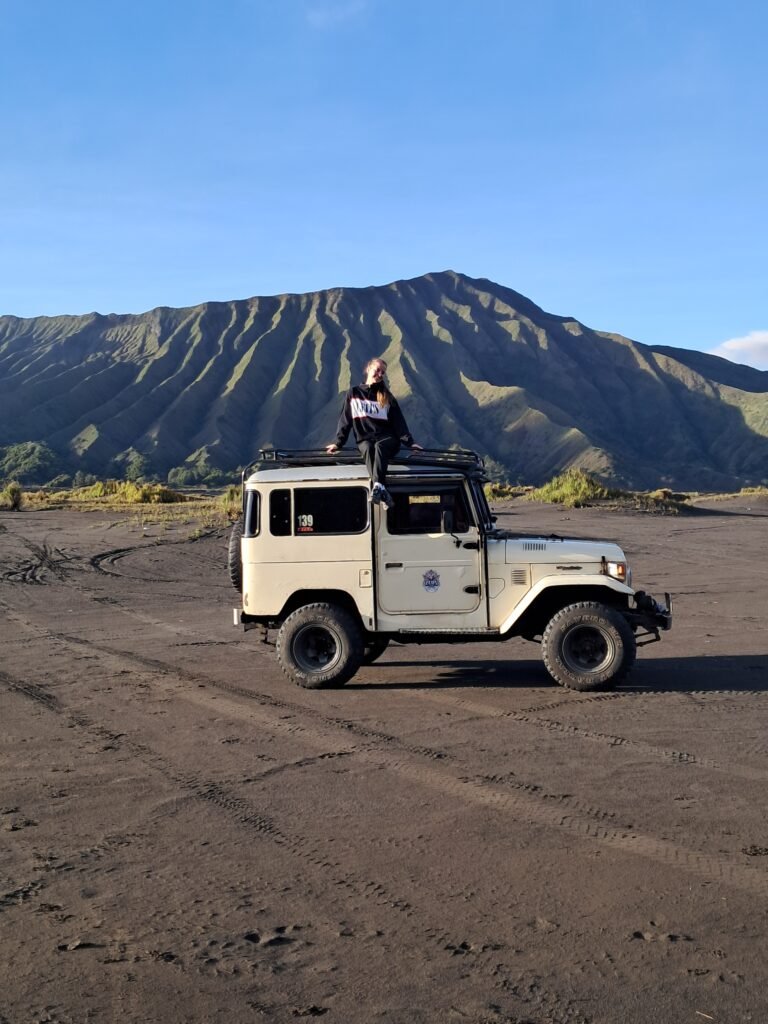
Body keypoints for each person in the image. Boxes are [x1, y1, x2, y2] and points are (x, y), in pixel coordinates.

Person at [326, 357, 422, 508]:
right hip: (365, 439)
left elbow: (399, 423)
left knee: (379, 446)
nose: (380, 374)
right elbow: (346, 420)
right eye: (377, 370)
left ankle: (378, 487)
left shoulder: (387, 397)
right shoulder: (354, 393)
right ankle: (382, 490)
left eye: (382, 372)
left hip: (388, 439)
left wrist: (411, 443)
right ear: (368, 368)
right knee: (368, 448)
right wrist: (338, 443)